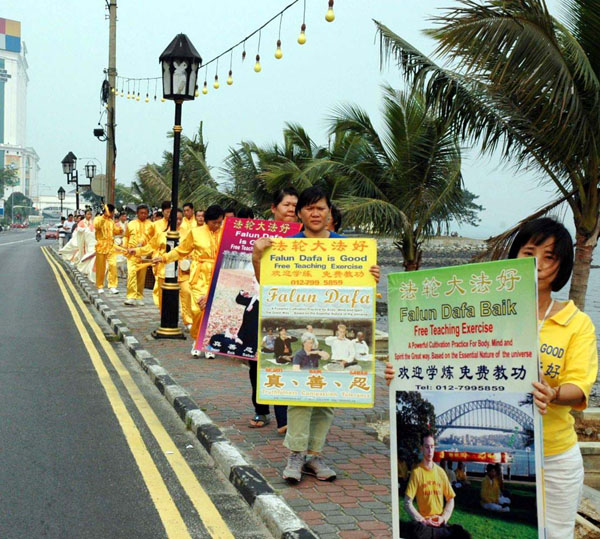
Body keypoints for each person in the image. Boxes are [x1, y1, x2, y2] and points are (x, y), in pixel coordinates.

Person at [385, 217, 597, 538]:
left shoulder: (576, 323)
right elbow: (444, 362)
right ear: (515, 257)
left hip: (556, 458)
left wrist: (554, 393)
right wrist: (402, 373)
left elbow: (579, 388)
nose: (537, 264)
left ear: (562, 266)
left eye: (549, 257)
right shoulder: (481, 313)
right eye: (529, 253)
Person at [252, 185, 380, 483]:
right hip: (304, 330)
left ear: (329, 212)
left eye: (320, 208)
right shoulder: (285, 247)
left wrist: (373, 277)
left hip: (334, 329)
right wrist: (257, 256)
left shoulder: (348, 248)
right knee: (299, 396)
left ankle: (314, 454)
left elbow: (363, 294)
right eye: (309, 208)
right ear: (299, 213)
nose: (315, 213)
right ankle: (296, 454)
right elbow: (266, 284)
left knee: (326, 398)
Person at [247, 187, 300, 432]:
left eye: (295, 205)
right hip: (262, 302)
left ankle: (285, 416)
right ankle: (261, 409)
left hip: (293, 304)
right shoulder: (257, 235)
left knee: (286, 354)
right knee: (257, 360)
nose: (291, 209)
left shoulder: (305, 237)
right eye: (286, 204)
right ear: (273, 207)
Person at [154, 204, 225, 356]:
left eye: (220, 222)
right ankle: (197, 338)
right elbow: (182, 250)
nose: (217, 225)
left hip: (218, 275)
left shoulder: (225, 233)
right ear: (207, 220)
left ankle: (207, 342)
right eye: (214, 222)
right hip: (199, 276)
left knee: (212, 311)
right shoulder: (196, 233)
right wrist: (165, 257)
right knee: (198, 309)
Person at [403, 433, 469, 538]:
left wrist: (443, 518)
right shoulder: (417, 472)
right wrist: (423, 520)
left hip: (439, 523)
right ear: (422, 448)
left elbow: (451, 499)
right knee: (416, 531)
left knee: (463, 534)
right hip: (425, 524)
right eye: (427, 447)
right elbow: (407, 502)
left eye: (432, 447)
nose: (430, 451)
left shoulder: (441, 472)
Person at [123, 204, 152, 306]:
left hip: (144, 254)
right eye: (141, 213)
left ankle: (139, 296)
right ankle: (131, 296)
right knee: (131, 273)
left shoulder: (151, 225)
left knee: (141, 276)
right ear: (137, 213)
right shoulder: (131, 224)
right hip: (132, 253)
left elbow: (154, 239)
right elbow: (126, 236)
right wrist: (125, 246)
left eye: (145, 213)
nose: (143, 215)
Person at [93, 204, 122, 294]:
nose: (113, 214)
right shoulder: (98, 219)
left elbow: (114, 231)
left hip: (110, 246)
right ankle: (100, 286)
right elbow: (97, 226)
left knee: (113, 265)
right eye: (112, 212)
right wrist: (104, 216)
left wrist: (120, 230)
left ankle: (112, 286)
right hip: (101, 246)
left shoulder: (111, 221)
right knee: (101, 267)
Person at [178, 202, 198, 330]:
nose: (186, 213)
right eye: (184, 210)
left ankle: (195, 320)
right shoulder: (183, 227)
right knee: (185, 292)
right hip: (181, 264)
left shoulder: (199, 228)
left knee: (193, 294)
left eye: (188, 210)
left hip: (195, 266)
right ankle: (188, 320)